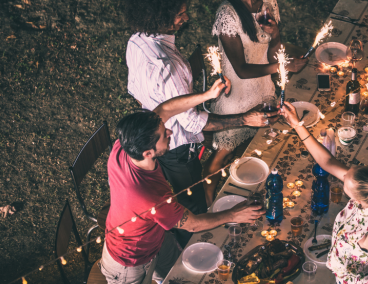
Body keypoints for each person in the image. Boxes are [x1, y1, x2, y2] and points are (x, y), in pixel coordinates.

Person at [123, 0, 272, 232]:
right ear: (160, 16)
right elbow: (191, 123)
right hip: (177, 150)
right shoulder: (168, 66)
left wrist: (206, 95)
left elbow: (152, 101)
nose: (186, 19)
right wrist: (245, 119)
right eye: (180, 14)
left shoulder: (136, 41)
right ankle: (195, 246)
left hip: (153, 133)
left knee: (187, 195)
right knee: (192, 201)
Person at [101, 80, 266, 284]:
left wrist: (208, 95)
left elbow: (166, 108)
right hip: (130, 263)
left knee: (176, 278)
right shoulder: (150, 197)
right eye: (164, 135)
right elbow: (194, 225)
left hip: (159, 238)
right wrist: (234, 214)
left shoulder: (123, 147)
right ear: (148, 153)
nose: (170, 132)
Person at [204, 0, 308, 198]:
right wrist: (282, 67)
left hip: (265, 93)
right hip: (236, 99)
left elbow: (271, 56)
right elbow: (241, 70)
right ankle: (207, 202)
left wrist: (275, 34)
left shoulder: (269, 4)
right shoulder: (228, 14)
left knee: (278, 145)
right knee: (220, 157)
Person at [280, 103, 368, 284]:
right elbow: (327, 161)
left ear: (355, 197)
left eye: (345, 178)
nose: (343, 174)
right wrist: (296, 124)